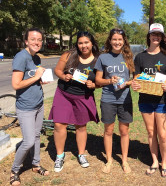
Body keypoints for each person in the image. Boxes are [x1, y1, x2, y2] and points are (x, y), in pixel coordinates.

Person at [49, 31, 100, 172]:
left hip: (83, 96)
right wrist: (63, 76)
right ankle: (60, 155)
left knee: (81, 126)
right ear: (77, 44)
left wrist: (94, 85)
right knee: (59, 124)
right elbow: (57, 70)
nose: (83, 46)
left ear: (92, 43)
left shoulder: (98, 59)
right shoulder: (68, 55)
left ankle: (81, 154)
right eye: (80, 43)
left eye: (86, 42)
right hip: (63, 94)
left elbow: (101, 80)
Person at [131, 23, 166, 177]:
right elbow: (136, 78)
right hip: (145, 100)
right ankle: (155, 161)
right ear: (149, 36)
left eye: (159, 35)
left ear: (162, 37)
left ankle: (164, 162)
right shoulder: (140, 57)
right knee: (151, 133)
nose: (156, 37)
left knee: (163, 134)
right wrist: (135, 84)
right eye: (153, 34)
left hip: (162, 101)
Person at [10, 28, 49, 186]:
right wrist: (36, 77)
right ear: (26, 41)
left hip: (38, 103)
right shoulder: (21, 57)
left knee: (37, 136)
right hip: (25, 106)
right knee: (28, 141)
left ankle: (35, 164)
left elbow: (32, 79)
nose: (36, 42)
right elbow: (16, 84)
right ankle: (14, 171)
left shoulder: (37, 58)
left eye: (39, 39)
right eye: (33, 39)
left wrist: (41, 80)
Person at [94, 28, 135, 174]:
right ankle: (109, 160)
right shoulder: (103, 58)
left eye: (120, 39)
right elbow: (98, 80)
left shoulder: (129, 57)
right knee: (108, 130)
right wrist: (109, 80)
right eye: (114, 39)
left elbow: (135, 78)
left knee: (124, 131)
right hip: (108, 99)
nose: (117, 42)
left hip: (125, 99)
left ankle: (124, 160)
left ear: (124, 41)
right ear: (110, 41)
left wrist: (129, 83)